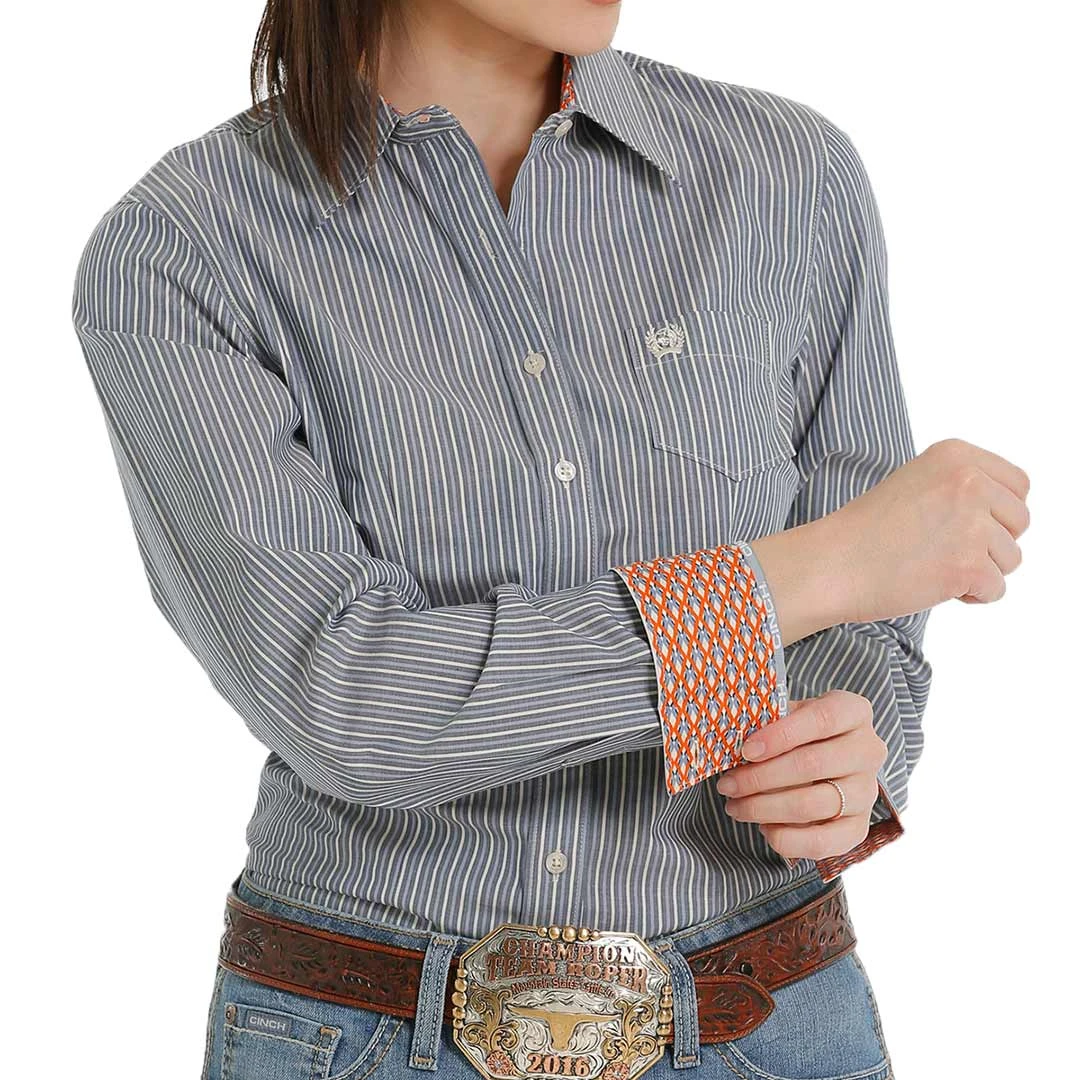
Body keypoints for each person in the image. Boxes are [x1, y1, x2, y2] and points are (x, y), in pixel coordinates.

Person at [70, 2, 1030, 1078]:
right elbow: (347, 701)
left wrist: (848, 754)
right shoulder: (180, 253)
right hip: (362, 1030)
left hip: (765, 1018)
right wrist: (806, 575)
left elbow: (871, 619)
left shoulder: (787, 176)